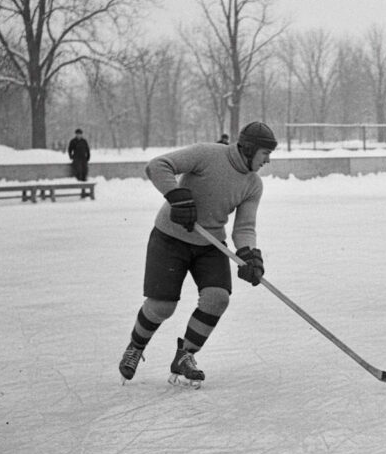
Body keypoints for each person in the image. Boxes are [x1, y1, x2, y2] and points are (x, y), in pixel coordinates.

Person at [117, 121, 278, 386]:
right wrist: (176, 196)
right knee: (162, 306)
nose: (268, 161)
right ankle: (135, 346)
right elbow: (158, 165)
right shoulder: (208, 154)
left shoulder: (253, 185)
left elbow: (244, 227)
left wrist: (249, 254)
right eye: (265, 154)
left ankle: (185, 355)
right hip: (170, 237)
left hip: (210, 243)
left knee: (217, 298)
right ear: (249, 150)